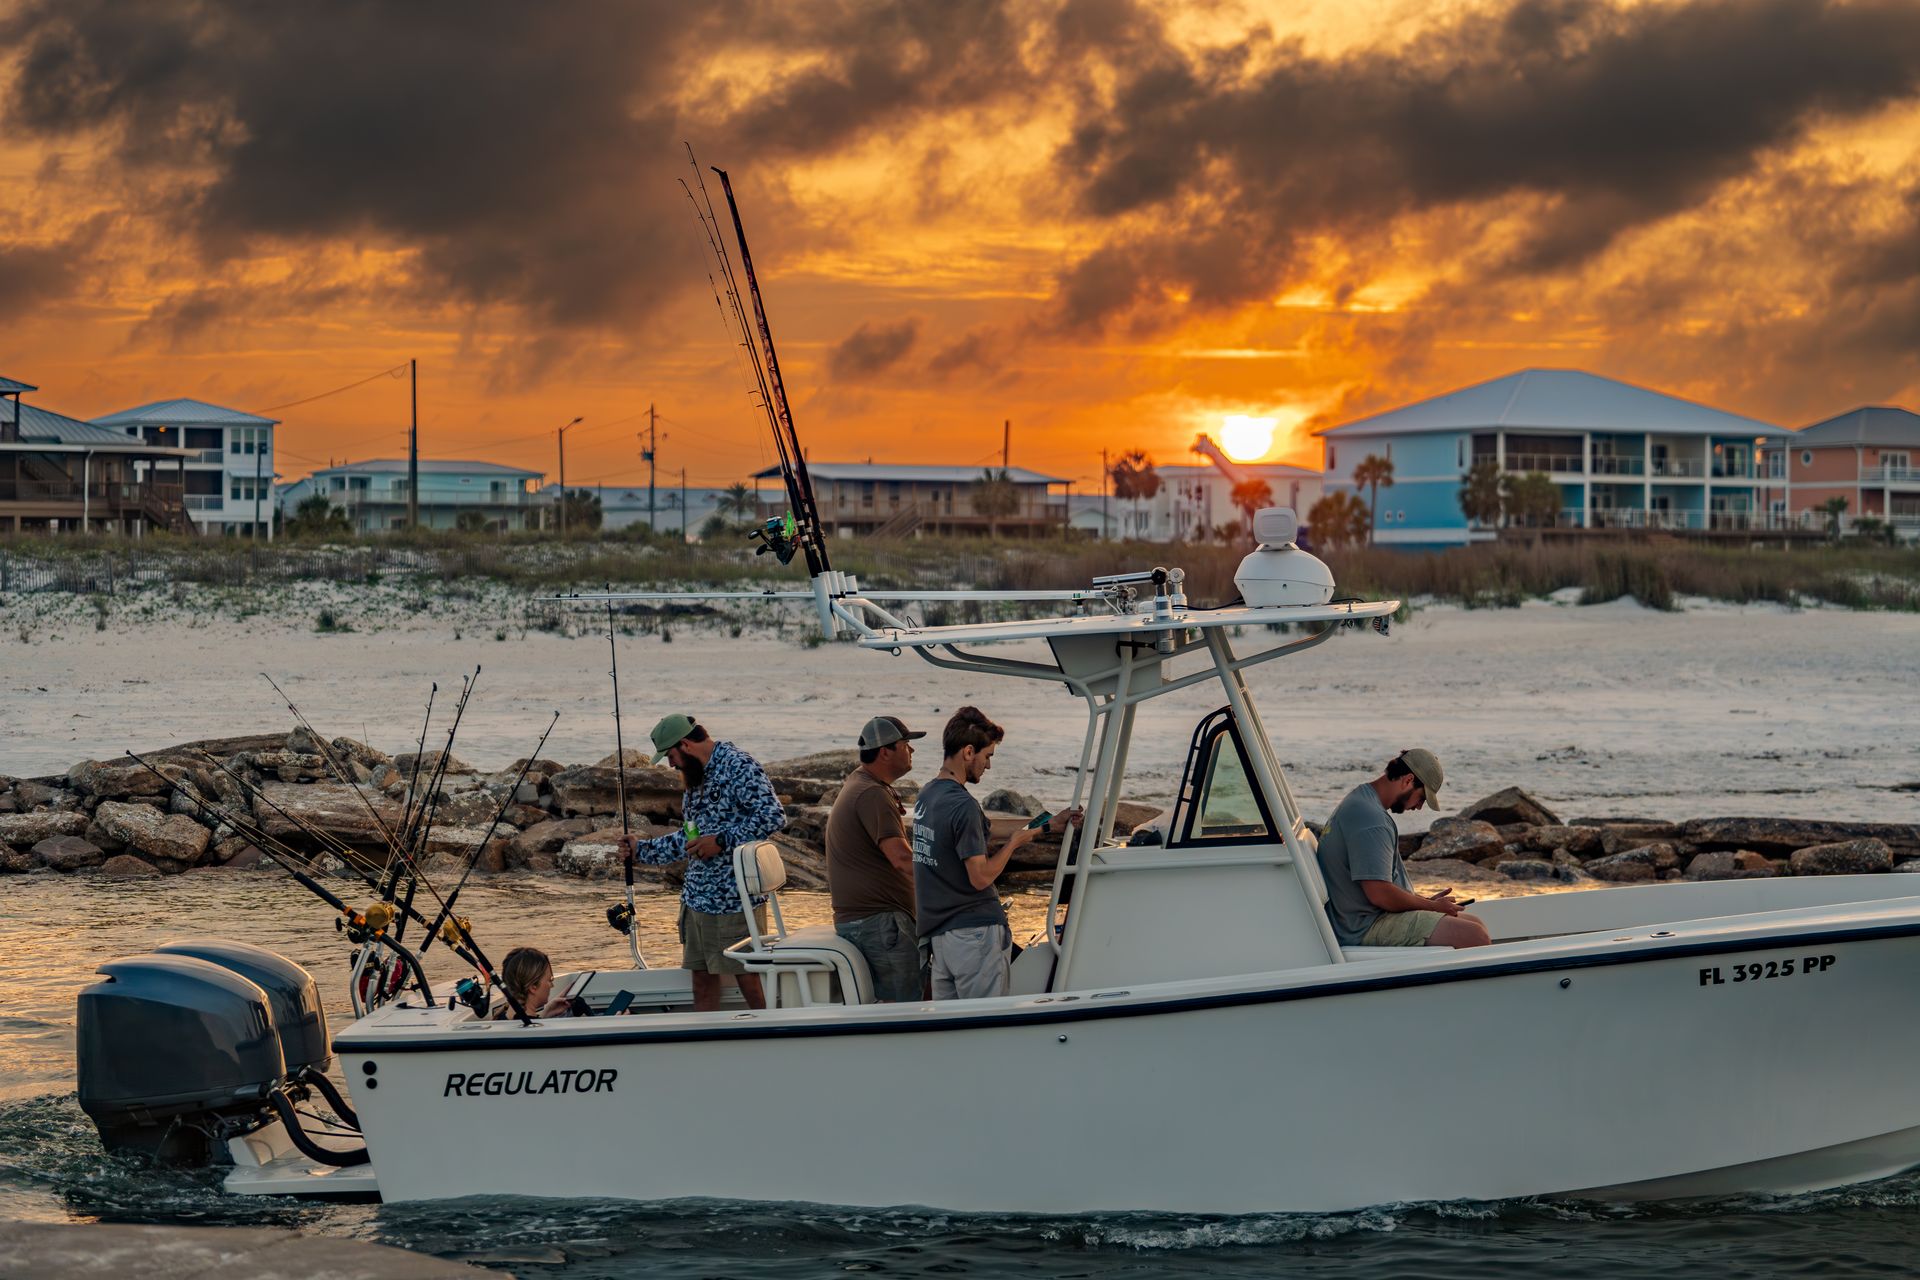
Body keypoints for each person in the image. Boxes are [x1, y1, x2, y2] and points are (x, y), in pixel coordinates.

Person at [616, 713, 786, 1011]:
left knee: (749, 977)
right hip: (696, 900)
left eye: (670, 756)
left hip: (735, 901)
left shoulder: (737, 766)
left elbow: (773, 815)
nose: (670, 764)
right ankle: (704, 1045)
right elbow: (690, 838)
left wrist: (720, 841)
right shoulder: (695, 778)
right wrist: (641, 851)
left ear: (685, 745)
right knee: (701, 979)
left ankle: (771, 1039)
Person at [913, 706, 1079, 1000]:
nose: (987, 766)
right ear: (968, 752)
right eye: (987, 756)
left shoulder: (928, 796)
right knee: (986, 1028)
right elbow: (980, 877)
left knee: (950, 1031)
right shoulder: (963, 805)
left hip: (940, 939)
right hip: (974, 935)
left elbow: (979, 831)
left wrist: (1045, 827)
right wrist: (1014, 843)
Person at [1314, 749, 1490, 949]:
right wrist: (1430, 906)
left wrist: (1421, 901)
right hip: (1364, 926)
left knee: (1475, 923)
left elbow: (1378, 887)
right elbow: (1379, 894)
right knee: (1474, 935)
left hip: (1364, 917)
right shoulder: (1371, 820)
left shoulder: (1361, 800)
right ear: (1408, 780)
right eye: (1422, 797)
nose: (1419, 807)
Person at [825, 715, 925, 1002]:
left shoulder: (860, 782)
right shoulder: (871, 793)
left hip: (869, 921)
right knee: (903, 1009)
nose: (912, 751)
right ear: (885, 751)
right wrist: (949, 886)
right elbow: (902, 859)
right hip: (879, 925)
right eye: (906, 744)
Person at [493, 946, 572, 1019]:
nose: (551, 985)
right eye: (549, 980)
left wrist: (546, 1013)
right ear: (533, 987)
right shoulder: (539, 1032)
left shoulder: (501, 1018)